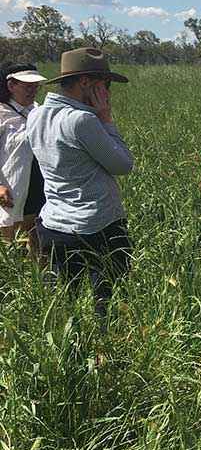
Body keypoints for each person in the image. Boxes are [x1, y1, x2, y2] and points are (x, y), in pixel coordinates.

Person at [26, 48, 134, 323]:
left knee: (64, 303)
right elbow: (123, 165)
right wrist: (107, 118)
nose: (108, 92)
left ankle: (69, 354)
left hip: (53, 225)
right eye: (105, 84)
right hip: (97, 227)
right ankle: (104, 350)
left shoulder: (36, 115)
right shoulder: (82, 120)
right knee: (107, 302)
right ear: (86, 82)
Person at [0, 62, 49, 250]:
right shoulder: (2, 114)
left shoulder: (39, 111)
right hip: (10, 194)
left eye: (36, 86)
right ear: (11, 86)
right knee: (11, 249)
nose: (33, 90)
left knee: (38, 248)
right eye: (28, 86)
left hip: (39, 191)